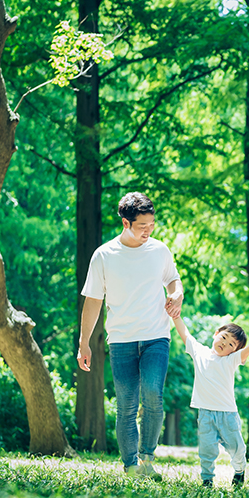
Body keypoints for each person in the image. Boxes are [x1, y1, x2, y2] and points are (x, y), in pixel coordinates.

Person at [77, 192, 183, 480]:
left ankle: (147, 458)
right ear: (125, 222)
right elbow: (93, 301)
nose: (148, 231)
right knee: (125, 406)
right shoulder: (104, 255)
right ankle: (130, 466)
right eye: (142, 226)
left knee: (153, 394)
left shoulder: (159, 250)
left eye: (151, 224)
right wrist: (84, 342)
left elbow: (173, 279)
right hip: (121, 339)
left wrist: (177, 293)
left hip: (156, 336)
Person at [172, 317, 249, 487]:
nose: (225, 344)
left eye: (232, 344)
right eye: (224, 338)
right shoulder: (199, 352)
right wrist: (176, 317)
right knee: (207, 450)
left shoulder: (230, 361)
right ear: (216, 334)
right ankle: (207, 479)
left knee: (237, 448)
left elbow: (247, 351)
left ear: (234, 352)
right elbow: (185, 333)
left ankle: (239, 471)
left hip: (228, 415)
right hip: (205, 414)